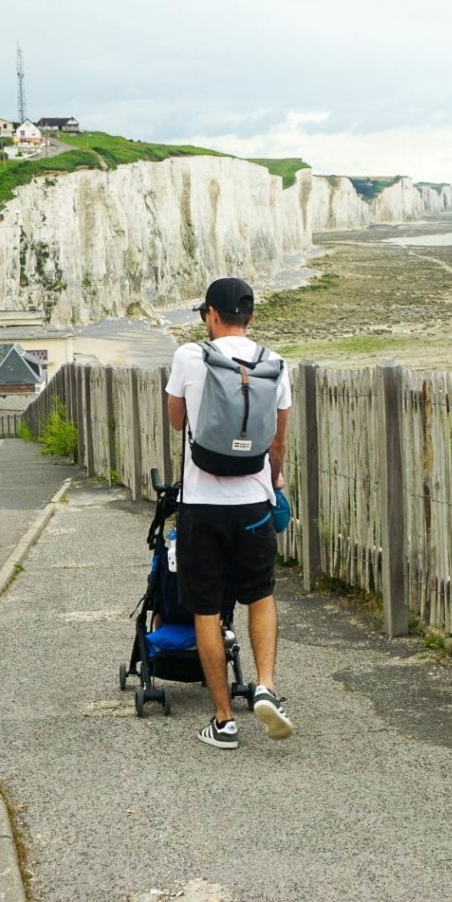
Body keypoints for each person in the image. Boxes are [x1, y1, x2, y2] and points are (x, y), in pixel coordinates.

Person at [165, 277, 293, 749]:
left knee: (206, 608)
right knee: (260, 594)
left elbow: (177, 421)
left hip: (201, 505)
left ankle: (222, 720)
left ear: (211, 315)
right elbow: (277, 441)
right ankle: (265, 686)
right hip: (254, 503)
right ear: (251, 317)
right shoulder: (276, 363)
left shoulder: (188, 357)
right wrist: (273, 480)